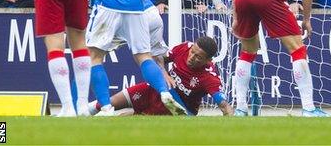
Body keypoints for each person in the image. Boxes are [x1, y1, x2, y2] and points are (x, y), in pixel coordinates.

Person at [87, 37, 234, 116]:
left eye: (198, 57)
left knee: (126, 120)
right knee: (106, 103)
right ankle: (77, 114)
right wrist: (164, 73)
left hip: (176, 108)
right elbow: (158, 58)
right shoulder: (184, 47)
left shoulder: (210, 77)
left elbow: (223, 105)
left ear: (208, 61)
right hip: (155, 90)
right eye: (192, 52)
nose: (191, 57)